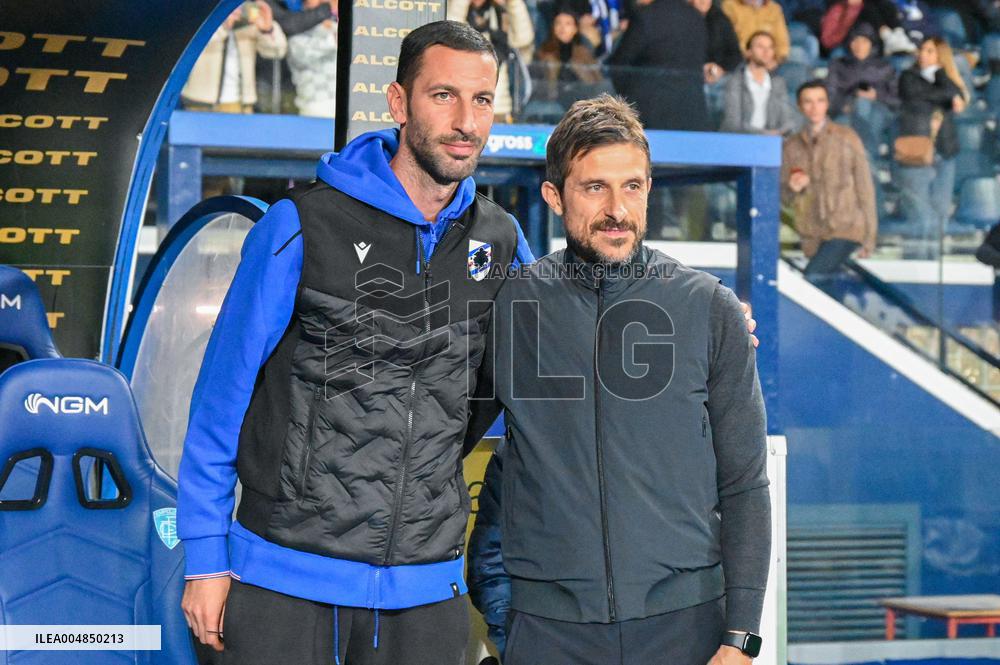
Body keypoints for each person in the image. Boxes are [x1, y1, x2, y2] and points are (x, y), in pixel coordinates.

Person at [177, 21, 536, 665]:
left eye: (481, 100)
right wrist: (204, 555)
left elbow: (564, 343)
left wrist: (704, 325)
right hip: (281, 579)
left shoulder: (502, 242)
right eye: (443, 96)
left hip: (428, 590)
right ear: (398, 103)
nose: (465, 121)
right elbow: (220, 400)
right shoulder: (302, 224)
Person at [466, 94, 771, 665]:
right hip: (549, 631)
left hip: (687, 627)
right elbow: (441, 436)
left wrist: (742, 636)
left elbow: (746, 483)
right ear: (555, 195)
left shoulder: (709, 308)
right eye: (595, 187)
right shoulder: (511, 307)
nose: (617, 209)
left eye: (632, 186)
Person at [781, 80, 878, 276]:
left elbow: (864, 187)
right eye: (808, 101)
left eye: (820, 100)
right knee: (823, 284)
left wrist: (870, 236)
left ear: (827, 104)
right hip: (811, 232)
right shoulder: (791, 146)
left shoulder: (847, 138)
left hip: (846, 228)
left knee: (814, 277)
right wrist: (792, 188)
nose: (814, 107)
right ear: (800, 106)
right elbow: (783, 197)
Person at [897, 36, 968, 259]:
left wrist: (939, 74)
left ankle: (935, 257)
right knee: (920, 209)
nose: (922, 55)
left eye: (929, 51)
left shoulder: (944, 77)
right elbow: (916, 98)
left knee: (941, 207)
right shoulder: (908, 76)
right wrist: (946, 97)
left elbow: (956, 94)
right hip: (917, 147)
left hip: (945, 147)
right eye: (922, 50)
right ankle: (917, 257)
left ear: (940, 56)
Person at [608, 0, 711, 130]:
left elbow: (619, 64)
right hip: (693, 110)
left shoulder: (646, 16)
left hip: (651, 112)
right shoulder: (696, 17)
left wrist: (628, 99)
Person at [181, 2, 288, 113]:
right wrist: (221, 24)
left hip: (241, 106)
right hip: (201, 103)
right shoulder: (200, 16)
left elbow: (278, 51)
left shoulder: (249, 23)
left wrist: (267, 29)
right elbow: (191, 45)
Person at [449, 0, 536, 121]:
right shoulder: (457, 9)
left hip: (499, 107)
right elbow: (449, 35)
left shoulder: (500, 12)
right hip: (461, 105)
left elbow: (523, 39)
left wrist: (512, 2)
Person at [826, 22, 898, 156]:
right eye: (855, 41)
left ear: (872, 44)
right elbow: (830, 95)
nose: (859, 46)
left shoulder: (885, 67)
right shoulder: (838, 65)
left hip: (879, 110)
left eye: (864, 41)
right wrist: (845, 104)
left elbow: (897, 100)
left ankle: (867, 156)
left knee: (868, 109)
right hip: (846, 109)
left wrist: (876, 95)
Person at [530, 9, 609, 114]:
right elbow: (536, 86)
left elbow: (597, 83)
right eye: (558, 23)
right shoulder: (542, 53)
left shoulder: (584, 54)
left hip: (582, 106)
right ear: (553, 27)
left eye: (568, 24)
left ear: (575, 29)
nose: (563, 28)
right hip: (551, 106)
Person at [720, 31, 799, 134]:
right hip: (739, 140)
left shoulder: (778, 83)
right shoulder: (734, 81)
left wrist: (778, 132)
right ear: (748, 52)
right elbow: (733, 123)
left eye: (770, 47)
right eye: (760, 46)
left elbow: (787, 119)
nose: (766, 51)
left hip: (770, 142)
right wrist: (764, 134)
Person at [284, 0, 338, 117]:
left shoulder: (335, 26)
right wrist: (332, 40)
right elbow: (301, 56)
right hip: (314, 103)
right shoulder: (296, 28)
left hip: (341, 101)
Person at [820, 0, 913, 54]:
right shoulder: (838, 9)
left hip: (877, 45)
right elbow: (828, 41)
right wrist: (850, 10)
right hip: (849, 45)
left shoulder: (875, 5)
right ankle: (888, 36)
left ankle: (898, 34)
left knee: (885, 5)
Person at [721, 0, 791, 65]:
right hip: (742, 60)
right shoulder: (729, 6)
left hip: (771, 62)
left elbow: (782, 42)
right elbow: (728, 39)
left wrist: (775, 61)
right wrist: (750, 56)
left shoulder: (774, 8)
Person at [691, 0, 744, 83]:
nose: (703, 1)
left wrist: (721, 69)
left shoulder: (721, 19)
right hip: (689, 74)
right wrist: (700, 69)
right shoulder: (679, 19)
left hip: (719, 76)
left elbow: (735, 53)